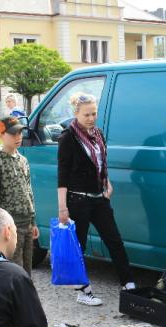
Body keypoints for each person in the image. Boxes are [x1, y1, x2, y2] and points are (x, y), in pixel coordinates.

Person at [57, 92, 135, 306]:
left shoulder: (97, 133)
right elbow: (63, 173)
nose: (91, 118)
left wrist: (106, 181)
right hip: (77, 199)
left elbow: (101, 161)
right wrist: (62, 207)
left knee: (114, 240)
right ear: (76, 114)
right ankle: (83, 291)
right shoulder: (68, 138)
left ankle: (128, 282)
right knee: (79, 246)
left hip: (99, 196)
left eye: (94, 114)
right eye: (86, 115)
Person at [0, 116, 38, 274]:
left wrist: (33, 221)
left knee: (27, 268)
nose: (18, 137)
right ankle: (14, 298)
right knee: (14, 269)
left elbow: (29, 191)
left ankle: (25, 297)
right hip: (10, 226)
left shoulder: (22, 160)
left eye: (20, 133)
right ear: (1, 135)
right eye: (13, 134)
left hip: (26, 223)